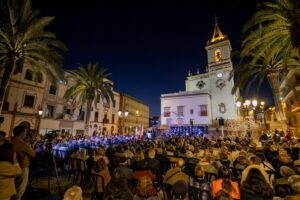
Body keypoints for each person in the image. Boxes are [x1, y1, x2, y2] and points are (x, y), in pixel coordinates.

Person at [11, 125, 36, 200]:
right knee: (19, 190)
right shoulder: (22, 144)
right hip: (22, 167)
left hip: (13, 167)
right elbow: (33, 154)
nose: (26, 134)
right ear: (21, 133)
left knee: (14, 188)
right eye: (25, 132)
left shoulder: (11, 141)